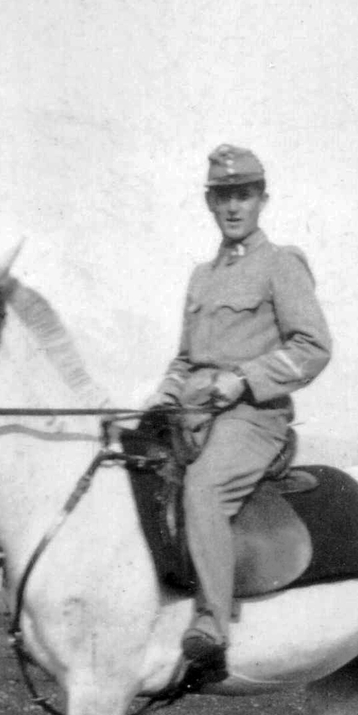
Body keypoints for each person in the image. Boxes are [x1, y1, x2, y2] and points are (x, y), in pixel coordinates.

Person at [143, 145, 333, 678]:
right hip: (190, 410)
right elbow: (185, 357)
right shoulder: (201, 277)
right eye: (224, 196)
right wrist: (165, 392)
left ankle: (212, 623)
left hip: (253, 417)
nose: (234, 207)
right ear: (210, 202)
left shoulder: (281, 265)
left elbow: (313, 347)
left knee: (202, 489)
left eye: (244, 195)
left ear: (262, 200)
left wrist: (244, 379)